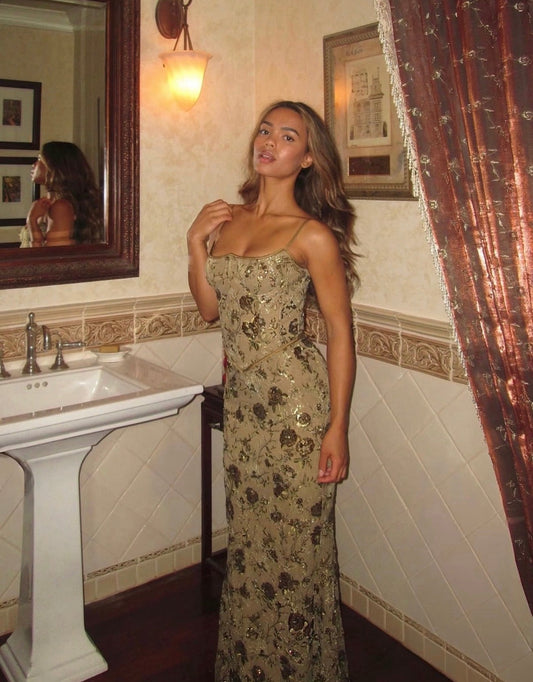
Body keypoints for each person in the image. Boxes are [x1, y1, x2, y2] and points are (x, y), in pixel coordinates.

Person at [188, 100, 359, 681]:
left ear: (307, 158)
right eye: (265, 130)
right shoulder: (227, 220)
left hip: (297, 409)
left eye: (288, 136)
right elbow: (210, 309)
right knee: (251, 544)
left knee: (297, 550)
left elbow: (339, 333)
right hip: (244, 407)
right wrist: (194, 244)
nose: (269, 142)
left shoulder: (311, 235)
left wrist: (337, 427)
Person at [20, 141, 102, 247]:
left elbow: (52, 256)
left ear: (53, 167)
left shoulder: (61, 207)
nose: (34, 164)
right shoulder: (46, 204)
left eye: (40, 159)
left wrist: (32, 221)